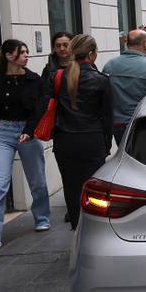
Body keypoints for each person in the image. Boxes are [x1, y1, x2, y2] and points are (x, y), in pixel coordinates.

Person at [0, 40, 51, 250]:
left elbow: (40, 109)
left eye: (27, 52)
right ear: (9, 56)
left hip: (29, 131)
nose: (27, 56)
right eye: (22, 52)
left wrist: (29, 131)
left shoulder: (34, 79)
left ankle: (42, 216)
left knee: (37, 180)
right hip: (4, 132)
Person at [51, 34, 112, 230]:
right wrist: (106, 145)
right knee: (94, 190)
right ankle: (94, 229)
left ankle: (77, 228)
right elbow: (107, 118)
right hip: (91, 140)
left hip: (65, 141)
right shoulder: (101, 80)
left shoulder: (58, 76)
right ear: (92, 54)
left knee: (70, 188)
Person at [103, 30, 146, 146]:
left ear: (127, 44)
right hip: (142, 125)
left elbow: (105, 96)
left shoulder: (109, 65)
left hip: (117, 125)